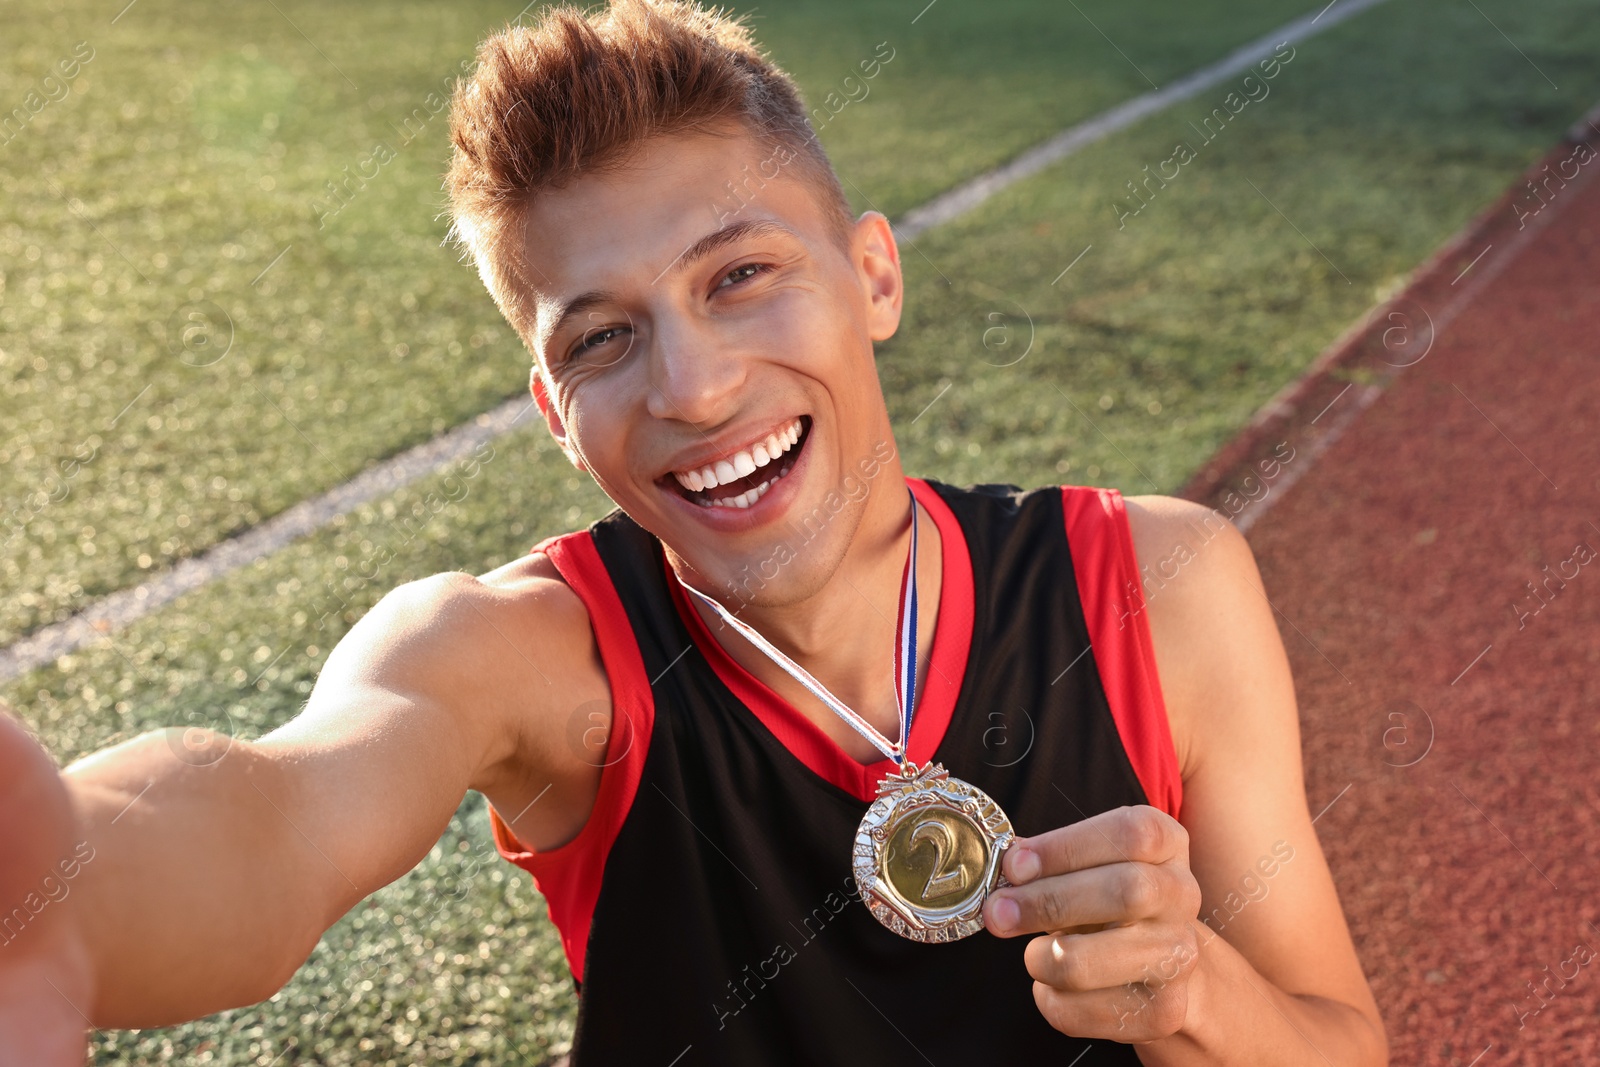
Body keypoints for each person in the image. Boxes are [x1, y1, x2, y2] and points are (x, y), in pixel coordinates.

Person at [0, 1, 1388, 1063]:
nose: (693, 388)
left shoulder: (1159, 584)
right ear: (556, 410)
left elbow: (1341, 1041)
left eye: (740, 277)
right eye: (605, 340)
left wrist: (1196, 992)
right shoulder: (529, 660)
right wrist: (57, 898)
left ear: (874, 274)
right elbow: (281, 810)